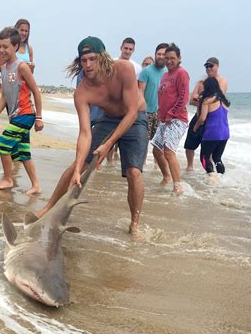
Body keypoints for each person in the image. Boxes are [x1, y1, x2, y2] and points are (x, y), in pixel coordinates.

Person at [37, 36, 148, 235]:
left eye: (93, 59)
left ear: (103, 57)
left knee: (134, 172)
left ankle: (135, 224)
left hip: (135, 118)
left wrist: (109, 144)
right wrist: (79, 168)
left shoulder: (124, 69)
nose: (88, 65)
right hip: (109, 119)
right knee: (78, 166)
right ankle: (48, 208)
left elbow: (131, 111)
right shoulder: (82, 92)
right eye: (84, 60)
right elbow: (85, 133)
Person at [0, 27, 43, 195]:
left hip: (26, 114)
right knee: (23, 153)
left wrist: (39, 117)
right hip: (14, 116)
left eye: (5, 47)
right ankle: (36, 185)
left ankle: (8, 179)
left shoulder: (22, 66)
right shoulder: (4, 68)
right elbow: (4, 95)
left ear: (15, 46)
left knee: (3, 144)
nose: (1, 50)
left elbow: (36, 91)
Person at [151, 43, 189, 195]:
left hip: (177, 119)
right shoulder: (165, 75)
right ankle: (167, 177)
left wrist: (172, 113)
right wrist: (161, 114)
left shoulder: (182, 73)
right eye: (167, 58)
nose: (169, 61)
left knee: (169, 152)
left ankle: (178, 186)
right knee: (155, 150)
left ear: (179, 58)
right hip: (164, 119)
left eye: (172, 58)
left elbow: (183, 97)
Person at [184, 57, 228, 171]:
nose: (208, 68)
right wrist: (202, 101)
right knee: (190, 145)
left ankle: (211, 174)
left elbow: (216, 99)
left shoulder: (222, 81)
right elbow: (191, 101)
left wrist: (201, 99)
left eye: (211, 66)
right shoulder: (201, 82)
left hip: (212, 120)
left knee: (208, 155)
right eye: (206, 66)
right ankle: (190, 167)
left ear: (217, 66)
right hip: (202, 117)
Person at [193, 77, 230, 181]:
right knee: (217, 158)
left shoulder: (207, 100)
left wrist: (195, 127)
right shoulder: (223, 100)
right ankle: (222, 177)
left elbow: (202, 118)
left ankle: (212, 177)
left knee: (204, 157)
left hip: (212, 133)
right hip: (225, 133)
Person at [138, 43, 169, 141]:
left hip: (162, 114)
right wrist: (142, 112)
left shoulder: (168, 72)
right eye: (158, 54)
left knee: (160, 145)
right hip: (147, 113)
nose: (160, 56)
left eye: (163, 54)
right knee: (143, 143)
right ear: (155, 54)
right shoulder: (146, 71)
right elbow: (140, 93)